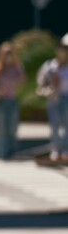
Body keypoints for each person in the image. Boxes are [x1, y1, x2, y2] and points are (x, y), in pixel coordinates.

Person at [0, 41, 25, 160]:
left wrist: (18, 70)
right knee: (2, 128)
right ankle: (3, 153)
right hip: (0, 101)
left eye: (10, 53)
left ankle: (12, 152)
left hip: (12, 100)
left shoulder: (16, 67)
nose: (9, 56)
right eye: (6, 53)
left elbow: (23, 81)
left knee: (12, 128)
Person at [37, 34, 68, 162]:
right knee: (55, 125)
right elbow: (41, 81)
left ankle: (66, 150)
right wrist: (47, 86)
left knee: (67, 126)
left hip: (67, 97)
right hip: (54, 97)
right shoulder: (50, 66)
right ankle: (55, 150)